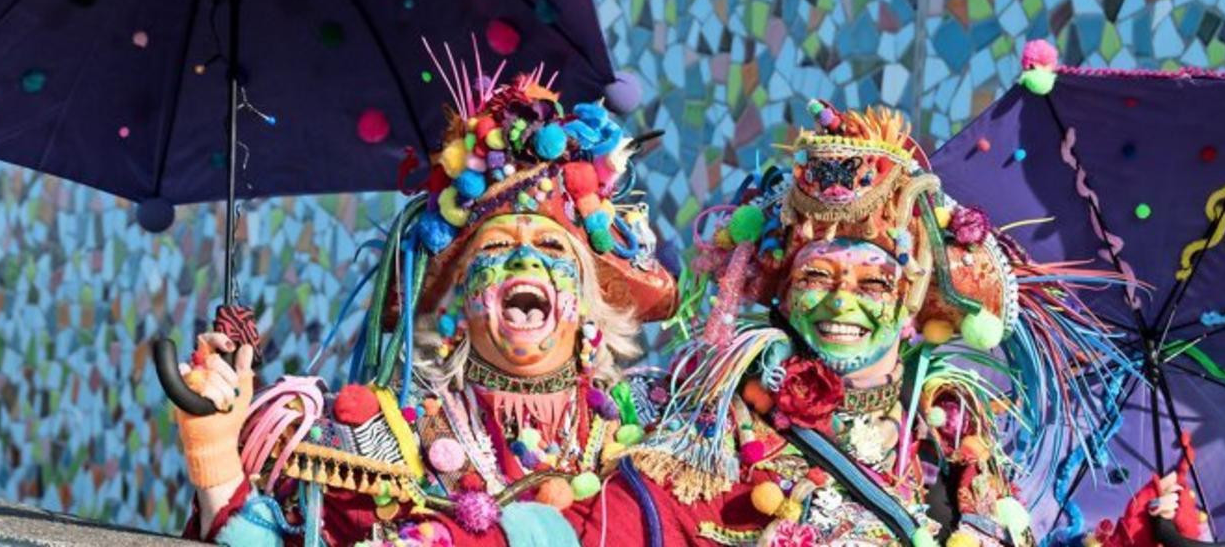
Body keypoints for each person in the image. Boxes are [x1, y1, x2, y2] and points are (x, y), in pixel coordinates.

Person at [604, 100, 1172, 547]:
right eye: (818, 277)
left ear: (910, 299)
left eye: (872, 283)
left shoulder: (955, 438)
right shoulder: (715, 420)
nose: (841, 303)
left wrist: (1139, 537)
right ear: (784, 290)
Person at [171, 60, 677, 546]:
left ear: (590, 301)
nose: (524, 260)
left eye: (550, 249)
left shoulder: (655, 430)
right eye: (497, 249)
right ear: (457, 297)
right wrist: (213, 449)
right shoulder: (381, 441)